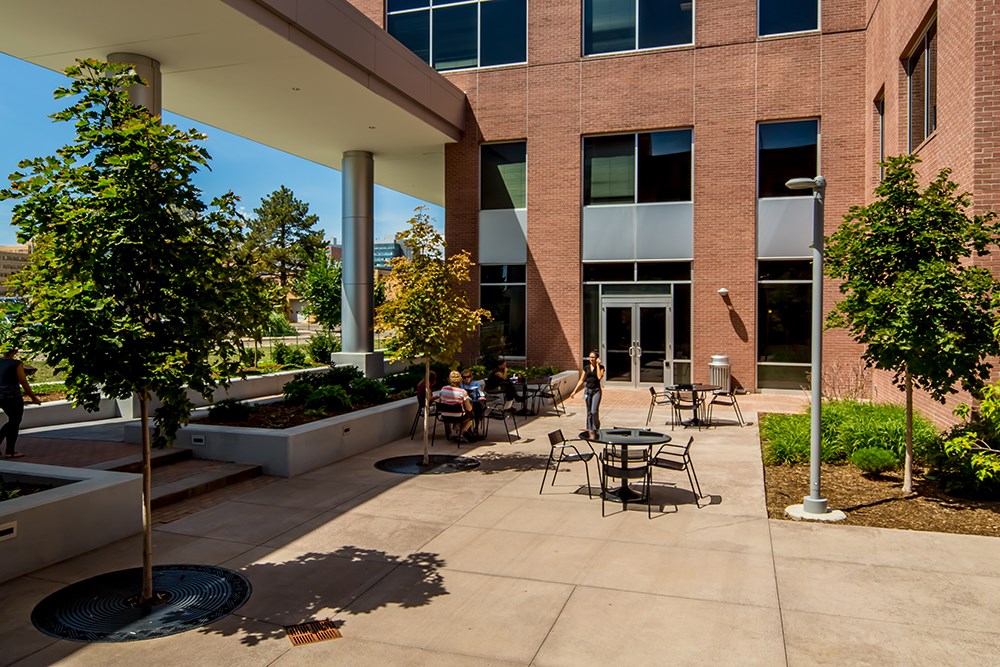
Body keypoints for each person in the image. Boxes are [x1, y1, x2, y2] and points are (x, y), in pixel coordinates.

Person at [0, 349, 41, 459]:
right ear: (14, 351)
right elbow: (23, 381)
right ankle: (10, 451)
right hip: (12, 396)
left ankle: (9, 450)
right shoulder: (16, 363)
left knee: (13, 421)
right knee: (15, 421)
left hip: (1, 396)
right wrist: (33, 397)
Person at [570, 350, 604, 431]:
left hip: (596, 391)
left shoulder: (601, 367)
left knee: (594, 411)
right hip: (588, 391)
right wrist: (574, 391)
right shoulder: (586, 368)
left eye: (593, 357)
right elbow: (581, 380)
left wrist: (598, 365)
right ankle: (589, 429)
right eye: (590, 357)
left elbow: (599, 377)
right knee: (589, 412)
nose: (591, 359)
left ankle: (596, 428)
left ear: (597, 358)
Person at [439, 370, 476, 442]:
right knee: (471, 416)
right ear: (460, 380)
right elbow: (469, 408)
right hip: (458, 416)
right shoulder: (462, 392)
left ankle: (455, 429)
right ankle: (461, 433)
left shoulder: (443, 389)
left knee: (458, 413)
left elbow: (441, 401)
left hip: (445, 416)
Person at [460, 370, 487, 434]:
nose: (467, 378)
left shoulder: (475, 384)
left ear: (471, 377)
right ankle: (468, 428)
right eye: (464, 377)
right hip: (465, 403)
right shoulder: (461, 385)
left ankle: (476, 427)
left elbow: (480, 393)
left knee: (477, 406)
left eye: (468, 376)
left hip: (475, 401)